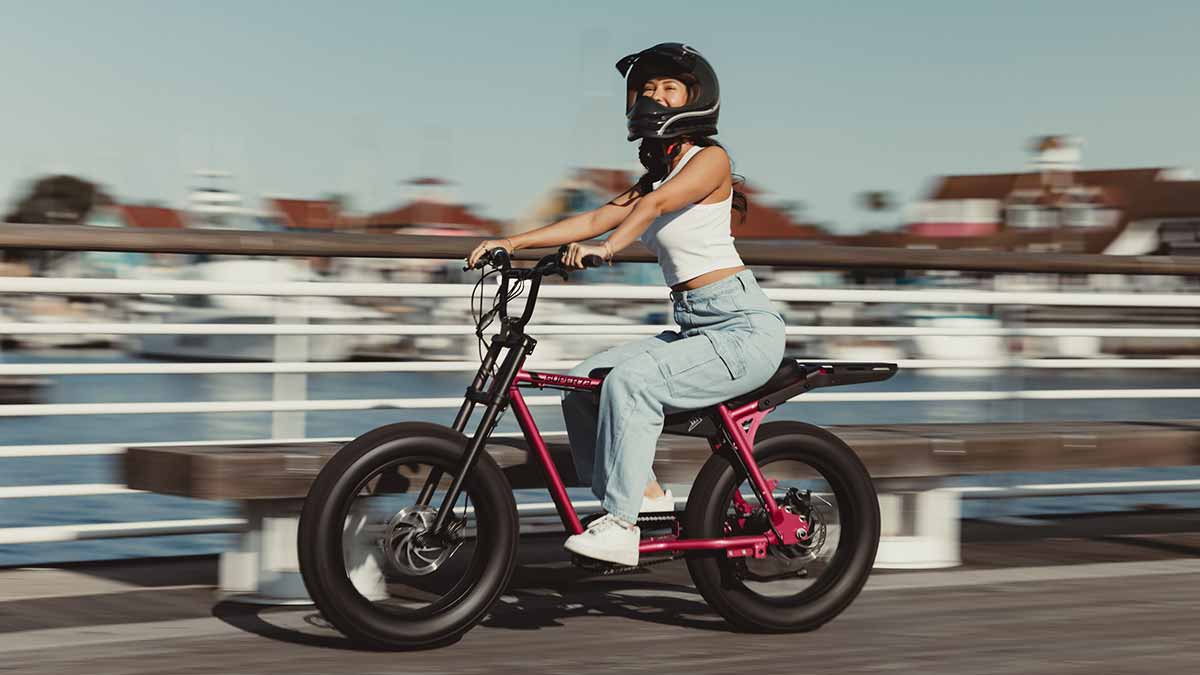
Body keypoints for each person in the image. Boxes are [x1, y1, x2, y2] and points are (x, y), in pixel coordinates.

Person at [467, 43, 785, 567]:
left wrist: (609, 249)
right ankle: (647, 501)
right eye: (648, 88)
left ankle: (619, 527)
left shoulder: (710, 160)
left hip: (741, 330)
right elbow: (594, 219)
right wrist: (513, 243)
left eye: (669, 87)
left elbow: (647, 212)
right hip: (695, 328)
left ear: (695, 98)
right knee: (584, 384)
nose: (656, 97)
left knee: (629, 383)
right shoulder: (655, 177)